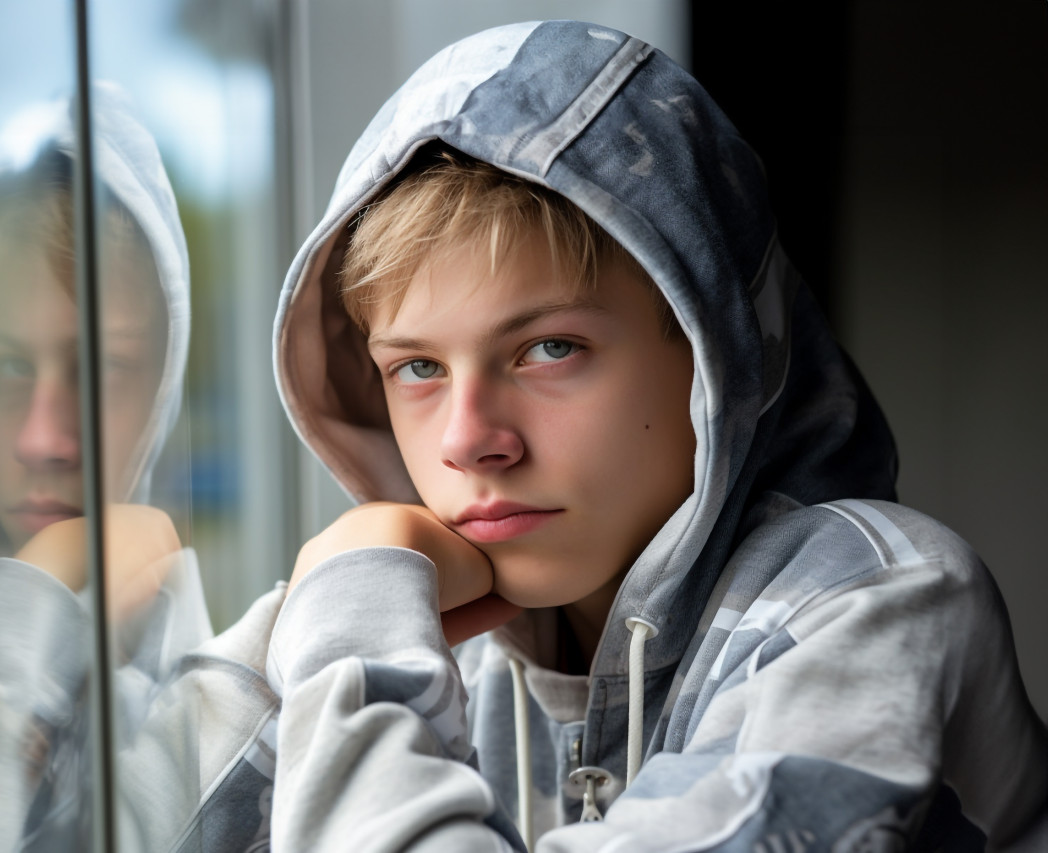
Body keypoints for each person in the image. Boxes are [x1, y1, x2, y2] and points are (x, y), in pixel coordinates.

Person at [264, 20, 1048, 850]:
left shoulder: (879, 601)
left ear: (716, 358)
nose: (469, 440)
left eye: (549, 349)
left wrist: (355, 632)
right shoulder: (434, 631)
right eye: (417, 368)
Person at [0, 85, 279, 851]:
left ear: (163, 385)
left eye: (100, 369)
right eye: (6, 365)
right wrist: (36, 600)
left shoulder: (220, 686)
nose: (44, 437)